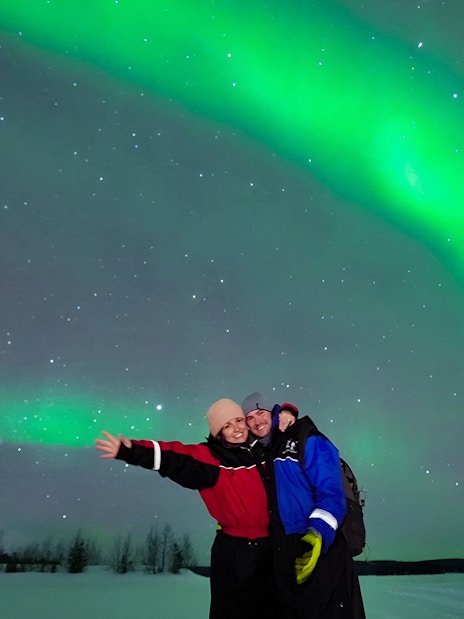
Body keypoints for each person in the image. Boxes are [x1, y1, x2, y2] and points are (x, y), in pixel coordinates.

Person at [96, 398, 279, 619]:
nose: (237, 429)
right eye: (227, 426)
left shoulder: (263, 452)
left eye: (239, 420)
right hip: (238, 553)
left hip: (272, 546)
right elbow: (173, 456)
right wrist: (131, 451)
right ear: (218, 433)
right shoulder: (210, 458)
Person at [242, 392, 365, 619]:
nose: (257, 421)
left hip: (320, 547)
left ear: (274, 413)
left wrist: (318, 534)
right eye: (249, 417)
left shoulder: (306, 438)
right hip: (281, 553)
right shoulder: (259, 454)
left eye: (261, 412)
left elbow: (331, 492)